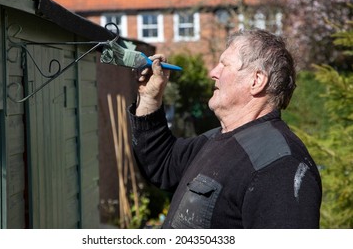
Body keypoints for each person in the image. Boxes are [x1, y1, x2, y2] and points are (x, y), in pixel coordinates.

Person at [128, 29, 322, 229]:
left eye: (224, 64)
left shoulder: (280, 166)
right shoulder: (218, 138)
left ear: (256, 81)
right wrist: (150, 98)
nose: (213, 73)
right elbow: (162, 164)